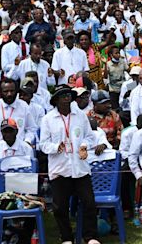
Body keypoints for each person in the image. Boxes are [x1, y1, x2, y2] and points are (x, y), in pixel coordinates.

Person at [39, 85, 100, 244]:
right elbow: (43, 144)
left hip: (80, 168)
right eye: (62, 95)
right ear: (56, 100)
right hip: (60, 169)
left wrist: (84, 146)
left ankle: (90, 237)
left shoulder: (80, 116)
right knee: (60, 207)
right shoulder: (47, 119)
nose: (67, 98)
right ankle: (66, 238)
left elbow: (90, 137)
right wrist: (55, 147)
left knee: (89, 203)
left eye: (68, 95)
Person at [0, 78, 37, 148]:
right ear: (0, 92)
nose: (9, 94)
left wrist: (26, 141)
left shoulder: (24, 106)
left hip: (20, 152)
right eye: (6, 91)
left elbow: (32, 128)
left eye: (12, 91)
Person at [104, 45, 128, 110]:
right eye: (116, 53)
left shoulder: (122, 61)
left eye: (118, 53)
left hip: (123, 88)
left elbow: (128, 70)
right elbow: (105, 76)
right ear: (111, 55)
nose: (118, 55)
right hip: (113, 89)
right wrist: (105, 66)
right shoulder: (108, 64)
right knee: (115, 108)